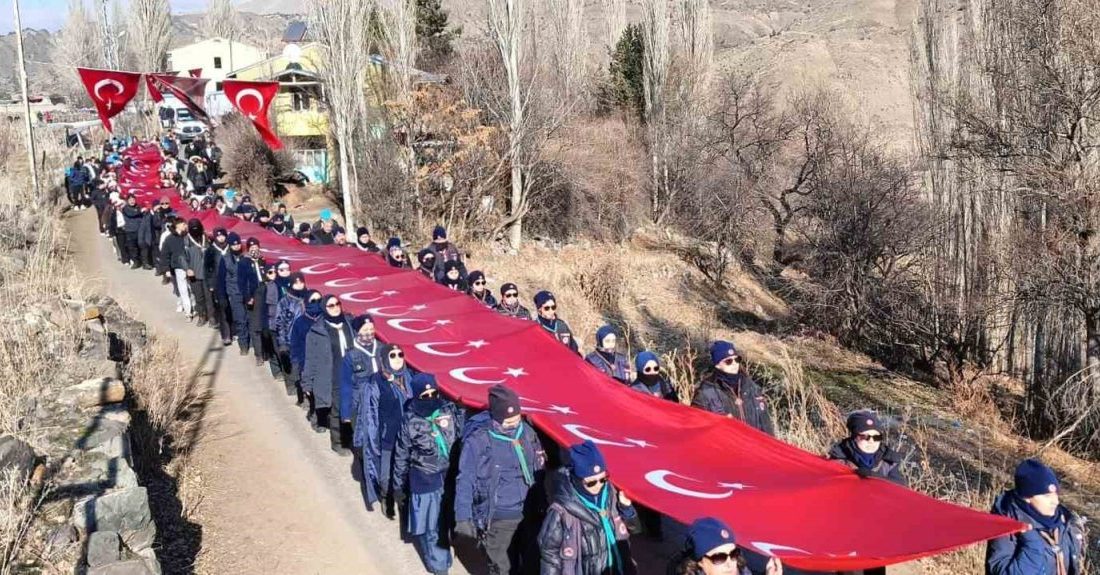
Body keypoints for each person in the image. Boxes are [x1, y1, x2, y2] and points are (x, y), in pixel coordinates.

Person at [455, 384, 547, 575]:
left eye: (517, 419)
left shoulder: (528, 434)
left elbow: (539, 466)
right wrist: (463, 517)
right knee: (501, 567)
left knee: (532, 564)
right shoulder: (478, 442)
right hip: (499, 517)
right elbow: (465, 480)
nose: (514, 424)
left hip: (529, 513)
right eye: (508, 421)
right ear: (496, 418)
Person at [393, 374, 463, 575]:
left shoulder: (448, 411)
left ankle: (443, 557)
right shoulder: (410, 421)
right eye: (425, 395)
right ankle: (439, 566)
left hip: (448, 477)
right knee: (431, 527)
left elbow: (459, 437)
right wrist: (398, 485)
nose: (431, 397)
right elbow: (401, 454)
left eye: (434, 393)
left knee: (447, 522)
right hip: (425, 480)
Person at [538, 440, 639, 575]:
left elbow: (635, 529)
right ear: (577, 479)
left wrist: (627, 509)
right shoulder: (561, 511)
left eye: (603, 479)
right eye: (591, 482)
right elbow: (549, 554)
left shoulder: (612, 494)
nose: (599, 485)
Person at [986, 459, 1086, 575]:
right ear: (1027, 497)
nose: (1055, 501)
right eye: (1047, 496)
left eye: (1056, 494)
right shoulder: (1007, 524)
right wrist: (1032, 545)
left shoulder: (1066, 523)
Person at [357, 343, 414, 514]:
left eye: (400, 354)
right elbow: (368, 413)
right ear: (384, 359)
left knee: (405, 470)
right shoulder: (376, 382)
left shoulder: (408, 378)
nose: (397, 359)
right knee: (386, 475)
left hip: (407, 437)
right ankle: (386, 497)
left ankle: (403, 500)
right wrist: (363, 438)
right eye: (392, 355)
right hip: (387, 436)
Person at [303, 294, 354, 454]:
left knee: (354, 408)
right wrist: (307, 383)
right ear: (324, 308)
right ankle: (338, 442)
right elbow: (310, 358)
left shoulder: (349, 323)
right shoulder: (317, 331)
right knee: (337, 410)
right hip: (333, 376)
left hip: (352, 373)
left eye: (337, 304)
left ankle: (354, 440)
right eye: (331, 306)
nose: (335, 307)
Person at [691, 341, 774, 436]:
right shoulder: (705, 393)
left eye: (737, 359)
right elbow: (697, 431)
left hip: (754, 447)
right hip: (727, 448)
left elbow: (766, 425)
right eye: (728, 361)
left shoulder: (752, 387)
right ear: (717, 365)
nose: (734, 364)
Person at [667, 517, 782, 575]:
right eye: (719, 558)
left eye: (734, 554)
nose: (730, 563)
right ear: (700, 562)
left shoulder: (741, 569)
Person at [826, 411, 907, 488]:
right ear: (854, 437)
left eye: (876, 437)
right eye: (865, 437)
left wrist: (877, 478)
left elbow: (901, 491)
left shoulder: (888, 462)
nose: (871, 441)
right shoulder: (838, 459)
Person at [339, 314, 380, 462]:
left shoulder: (382, 349)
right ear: (357, 331)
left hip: (380, 403)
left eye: (371, 329)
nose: (369, 332)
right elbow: (345, 386)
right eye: (365, 329)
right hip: (360, 405)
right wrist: (346, 413)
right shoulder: (351, 356)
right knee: (364, 445)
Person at [275, 272, 309, 399]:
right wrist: (282, 343)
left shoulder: (309, 298)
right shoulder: (285, 302)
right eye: (296, 283)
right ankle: (301, 396)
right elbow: (280, 323)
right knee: (297, 371)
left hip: (309, 340)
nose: (299, 285)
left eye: (301, 282)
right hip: (292, 341)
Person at [290, 290, 324, 413]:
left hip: (324, 362)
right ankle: (314, 414)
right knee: (312, 391)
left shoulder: (325, 319)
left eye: (320, 300)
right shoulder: (300, 322)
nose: (317, 303)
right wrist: (296, 361)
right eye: (313, 301)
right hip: (307, 362)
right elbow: (295, 343)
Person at [237, 238, 266, 359]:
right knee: (255, 325)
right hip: (252, 296)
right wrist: (247, 297)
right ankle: (258, 354)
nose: (254, 250)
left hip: (264, 293)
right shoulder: (244, 262)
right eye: (252, 248)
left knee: (265, 324)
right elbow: (242, 282)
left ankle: (266, 351)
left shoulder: (263, 260)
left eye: (256, 248)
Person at [204, 227, 233, 346]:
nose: (221, 238)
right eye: (218, 236)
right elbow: (207, 268)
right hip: (218, 284)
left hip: (231, 282)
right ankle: (226, 334)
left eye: (223, 236)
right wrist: (210, 284)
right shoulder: (210, 250)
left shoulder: (231, 248)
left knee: (232, 307)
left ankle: (233, 330)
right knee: (222, 308)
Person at [216, 232, 246, 346]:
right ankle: (243, 344)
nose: (237, 246)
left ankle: (250, 341)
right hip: (234, 292)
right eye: (234, 244)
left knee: (248, 318)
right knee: (240, 318)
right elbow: (221, 279)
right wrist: (222, 296)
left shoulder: (245, 257)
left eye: (238, 244)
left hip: (246, 292)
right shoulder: (226, 259)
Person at [183, 219, 214, 327]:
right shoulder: (186, 241)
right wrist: (187, 269)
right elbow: (182, 257)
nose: (195, 229)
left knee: (209, 297)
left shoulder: (207, 238)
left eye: (197, 227)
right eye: (193, 227)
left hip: (207, 274)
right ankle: (202, 316)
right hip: (194, 274)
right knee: (199, 297)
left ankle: (212, 317)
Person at [264, 260, 294, 377]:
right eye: (282, 270)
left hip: (292, 323)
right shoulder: (273, 286)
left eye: (287, 269)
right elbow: (270, 309)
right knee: (280, 350)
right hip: (278, 324)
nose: (285, 272)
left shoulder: (293, 283)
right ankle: (281, 373)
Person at [160, 218, 192, 317]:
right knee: (183, 290)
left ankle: (194, 306)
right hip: (178, 267)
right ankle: (188, 311)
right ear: (177, 225)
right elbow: (165, 255)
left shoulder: (188, 237)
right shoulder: (169, 239)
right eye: (183, 224)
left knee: (192, 289)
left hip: (191, 266)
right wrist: (166, 269)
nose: (185, 225)